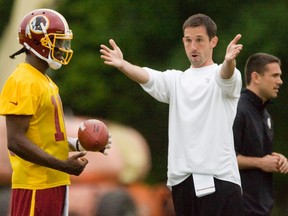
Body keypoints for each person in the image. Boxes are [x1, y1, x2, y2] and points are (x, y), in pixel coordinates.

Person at [100, 13, 244, 216]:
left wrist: (229, 61)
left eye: (199, 40)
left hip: (218, 180)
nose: (193, 47)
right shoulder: (177, 80)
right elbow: (148, 77)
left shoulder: (224, 75)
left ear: (213, 42)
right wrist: (123, 65)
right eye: (188, 40)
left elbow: (226, 76)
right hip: (182, 182)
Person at [0, 9, 110, 216]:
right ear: (37, 42)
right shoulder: (22, 81)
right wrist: (62, 164)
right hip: (35, 186)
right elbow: (15, 140)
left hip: (53, 183)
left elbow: (44, 137)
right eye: (57, 42)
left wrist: (81, 143)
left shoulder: (45, 81)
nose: (62, 48)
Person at [233, 53, 288, 215]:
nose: (280, 81)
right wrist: (260, 163)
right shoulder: (238, 109)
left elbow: (259, 155)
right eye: (275, 75)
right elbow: (223, 159)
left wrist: (277, 159)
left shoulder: (266, 115)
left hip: (262, 207)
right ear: (256, 77)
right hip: (241, 207)